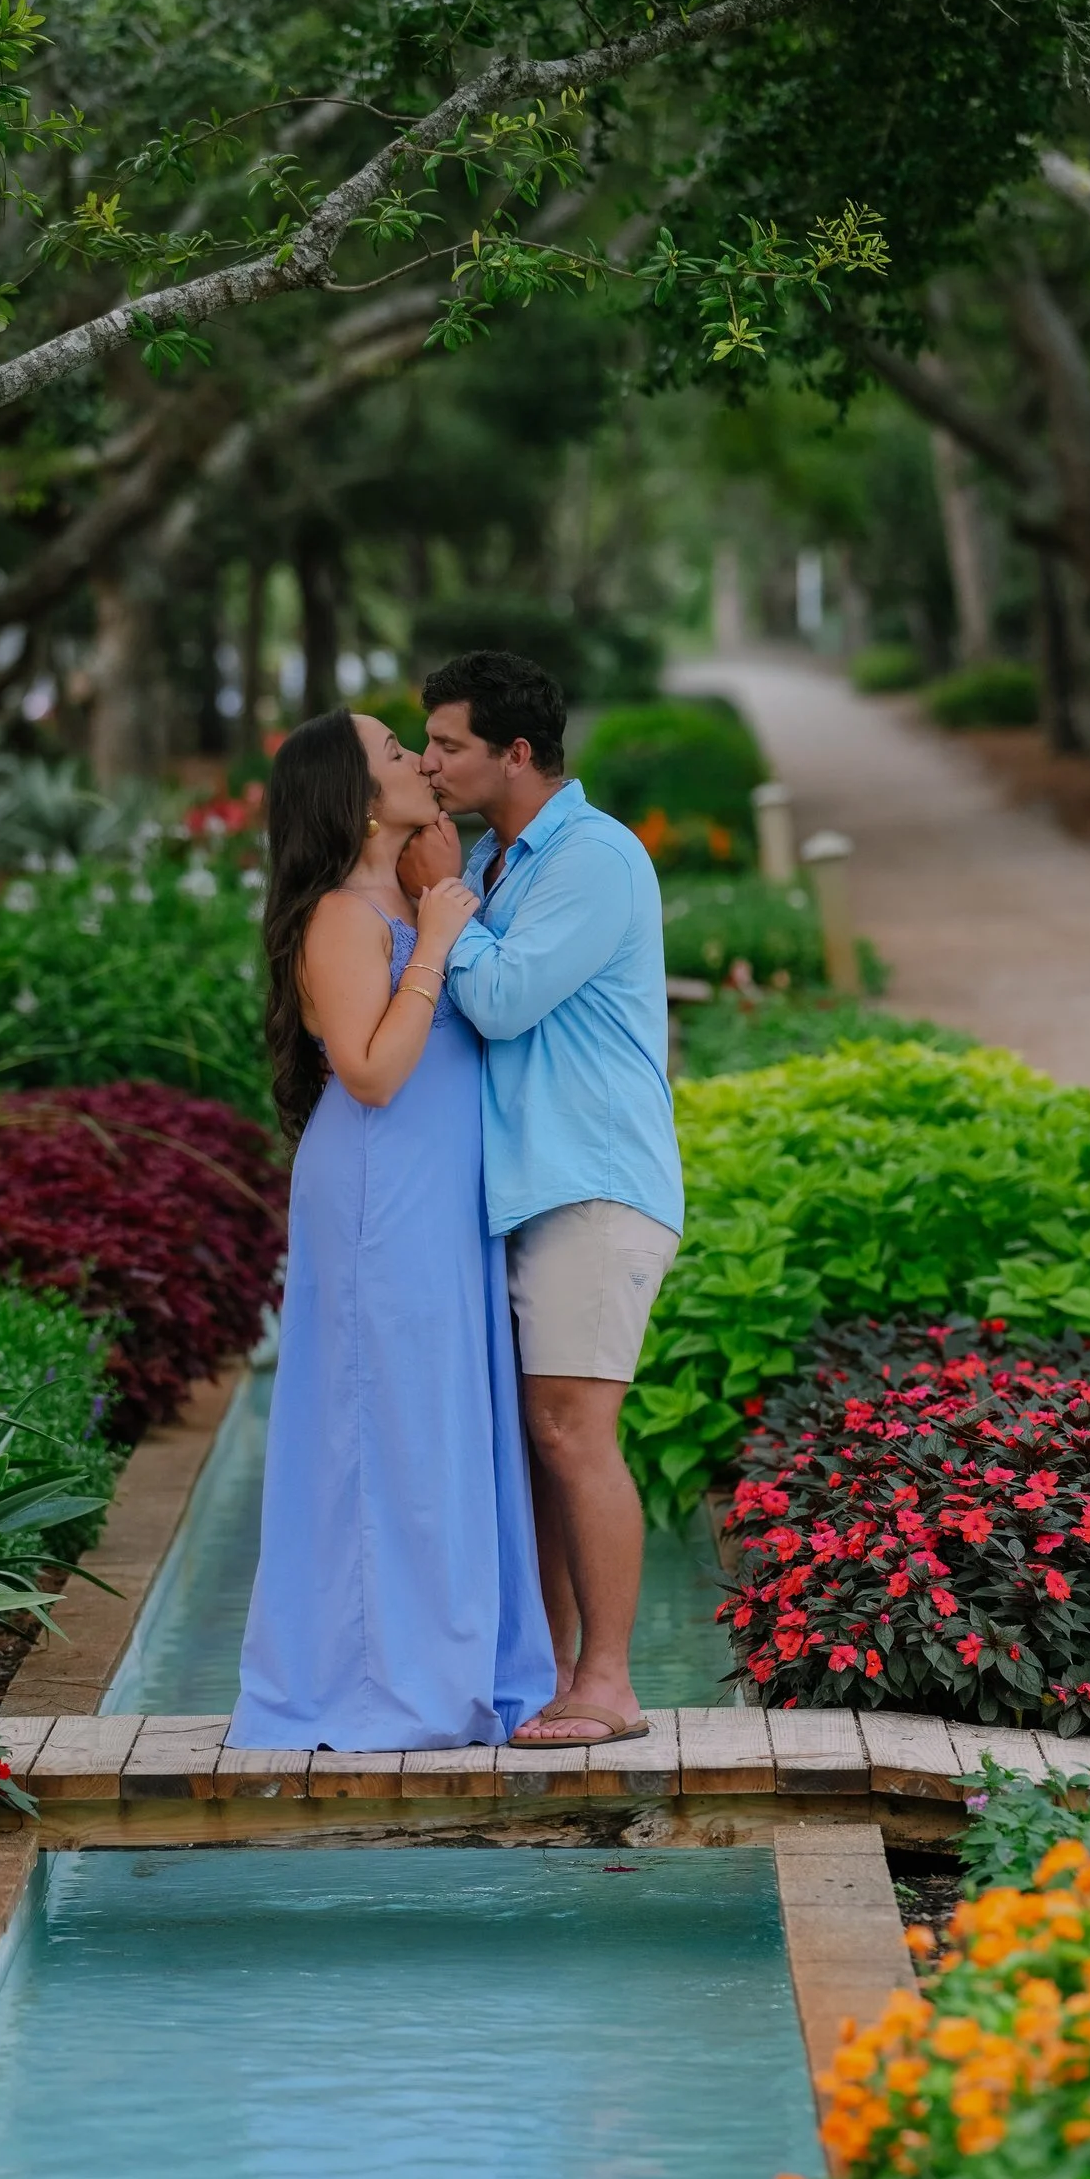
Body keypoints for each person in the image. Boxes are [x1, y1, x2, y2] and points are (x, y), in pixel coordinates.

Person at [228, 705, 553, 1752]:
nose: (420, 760)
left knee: (443, 1424)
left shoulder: (403, 897)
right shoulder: (338, 917)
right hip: (379, 1193)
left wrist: (444, 912)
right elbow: (369, 1072)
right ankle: (375, 1686)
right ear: (358, 797)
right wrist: (440, 939)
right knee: (390, 1428)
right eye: (396, 753)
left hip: (438, 1195)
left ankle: (452, 1666)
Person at [422, 652, 682, 1748]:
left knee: (575, 1434)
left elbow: (507, 1000)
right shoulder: (498, 855)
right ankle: (549, 1677)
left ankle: (609, 1685)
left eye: (447, 745)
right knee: (542, 1441)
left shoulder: (593, 855)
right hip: (532, 1183)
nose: (429, 762)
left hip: (594, 1179)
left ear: (514, 754)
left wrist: (444, 907)